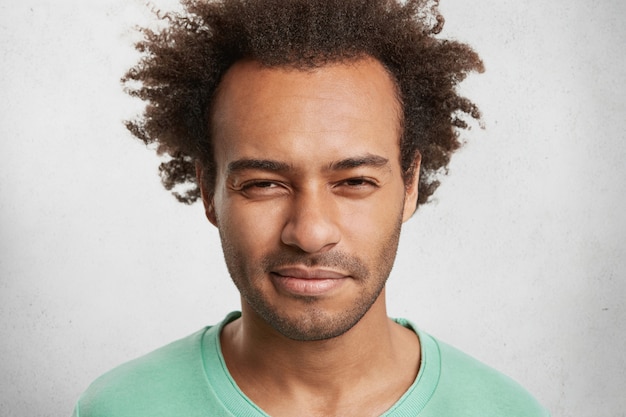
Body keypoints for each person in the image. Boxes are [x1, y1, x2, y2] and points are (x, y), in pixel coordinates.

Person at [73, 0, 550, 415]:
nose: (310, 232)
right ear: (208, 189)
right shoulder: (119, 408)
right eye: (263, 184)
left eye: (355, 181)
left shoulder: (507, 411)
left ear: (409, 185)